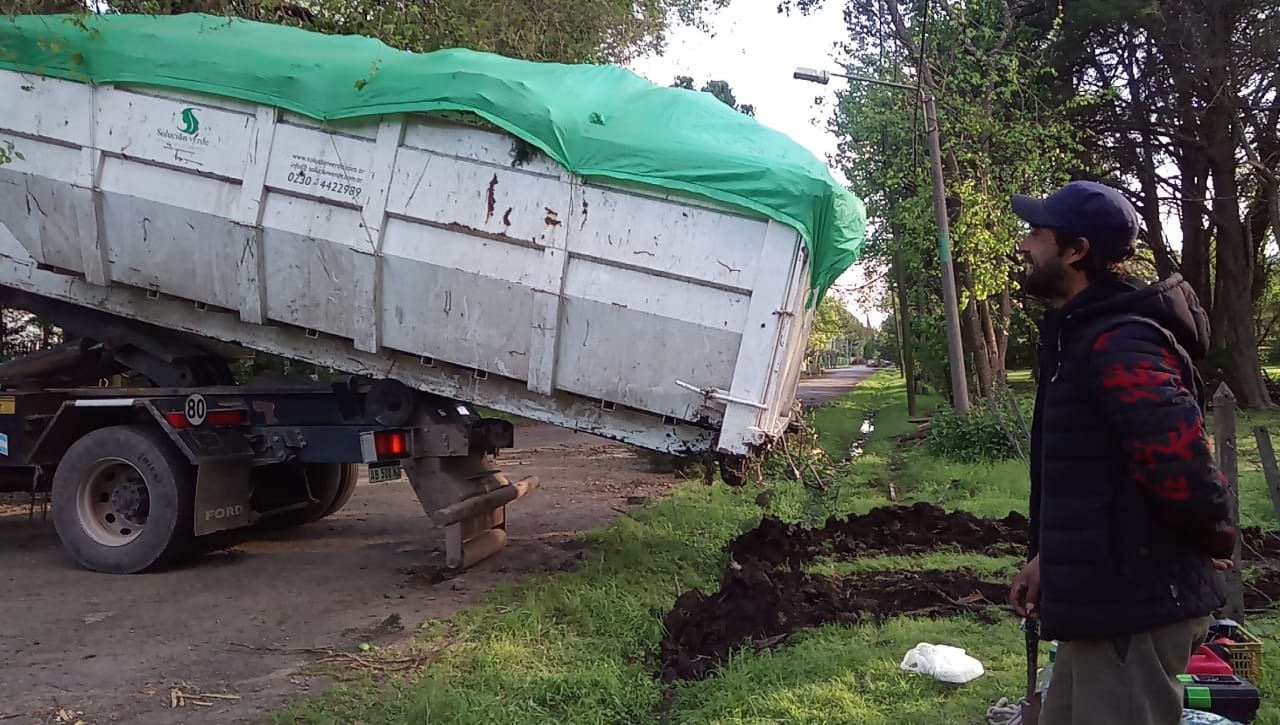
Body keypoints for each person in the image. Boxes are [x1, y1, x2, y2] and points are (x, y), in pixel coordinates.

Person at [1005, 180, 1237, 725]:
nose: (1024, 245)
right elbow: (1097, 478)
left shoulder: (1120, 342)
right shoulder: (1082, 335)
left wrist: (1212, 538)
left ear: (1076, 250)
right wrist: (1050, 560)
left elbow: (1181, 464)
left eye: (1036, 234)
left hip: (1133, 609)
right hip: (1103, 606)